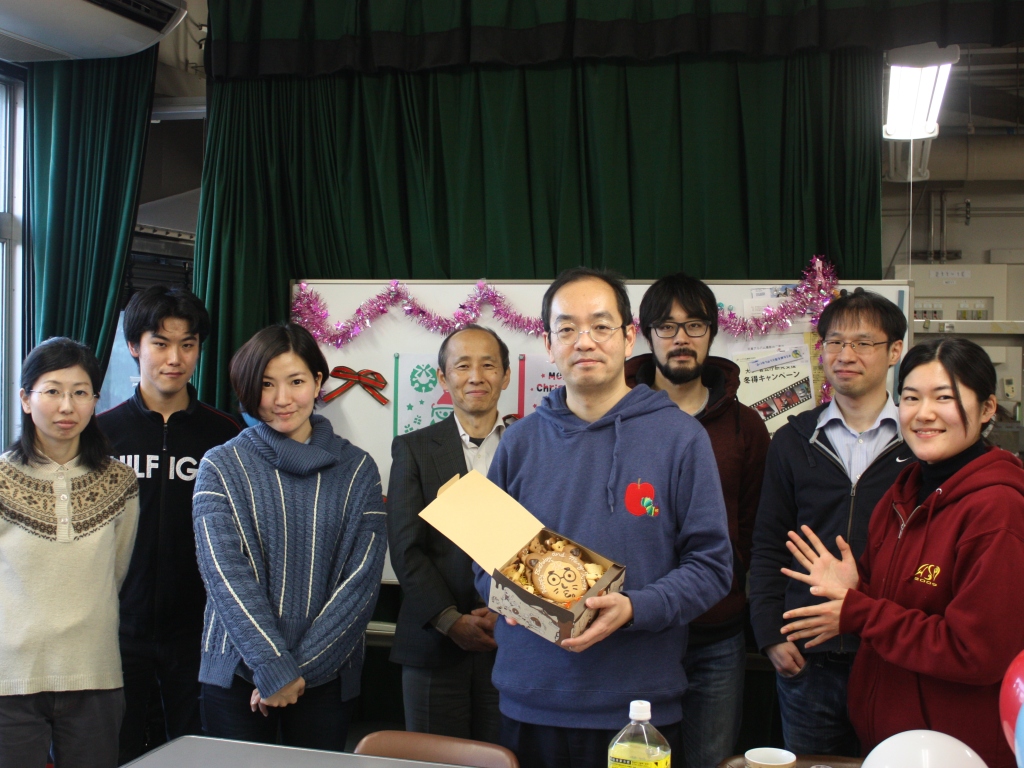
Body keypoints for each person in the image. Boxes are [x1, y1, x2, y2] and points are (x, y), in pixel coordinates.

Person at [475, 267, 733, 768]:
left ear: (628, 337)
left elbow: (712, 566)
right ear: (548, 344)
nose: (584, 341)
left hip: (638, 710)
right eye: (567, 328)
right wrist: (505, 593)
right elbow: (484, 561)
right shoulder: (520, 442)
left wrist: (636, 607)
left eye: (600, 325)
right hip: (531, 699)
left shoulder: (681, 439)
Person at [779, 337, 1024, 768]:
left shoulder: (998, 509)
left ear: (987, 408)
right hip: (890, 742)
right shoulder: (903, 493)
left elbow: (975, 652)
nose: (923, 413)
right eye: (911, 397)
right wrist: (859, 590)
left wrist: (858, 610)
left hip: (955, 750)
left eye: (943, 397)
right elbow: (900, 610)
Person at [192, 323, 386, 751]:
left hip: (328, 676)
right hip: (237, 675)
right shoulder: (220, 465)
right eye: (266, 384)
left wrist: (296, 673)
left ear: (317, 381)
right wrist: (273, 667)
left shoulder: (358, 469)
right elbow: (224, 575)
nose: (282, 399)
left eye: (296, 381)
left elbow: (361, 582)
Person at [748, 289, 915, 756]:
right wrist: (769, 634)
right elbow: (768, 543)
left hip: (890, 653)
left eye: (863, 343)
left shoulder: (919, 442)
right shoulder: (793, 440)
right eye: (835, 342)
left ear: (894, 351)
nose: (845, 355)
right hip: (808, 658)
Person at [625, 273, 770, 768]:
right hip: (636, 632)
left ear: (712, 332)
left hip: (716, 635)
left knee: (711, 759)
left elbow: (754, 527)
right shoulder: (618, 419)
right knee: (637, 760)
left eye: (694, 325)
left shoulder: (745, 426)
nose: (681, 339)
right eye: (666, 327)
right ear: (646, 334)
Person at [97, 286, 239, 763]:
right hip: (116, 629)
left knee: (192, 753)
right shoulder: (101, 435)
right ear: (134, 346)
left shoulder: (226, 435)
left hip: (198, 631)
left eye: (188, 344)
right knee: (114, 750)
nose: (175, 358)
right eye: (160, 343)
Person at [0, 338, 139, 768]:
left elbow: (116, 571)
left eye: (80, 392)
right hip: (10, 679)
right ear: (26, 399)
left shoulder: (121, 481)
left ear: (95, 401)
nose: (67, 406)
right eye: (53, 391)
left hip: (94, 671)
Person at [388, 324, 511, 743]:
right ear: (443, 378)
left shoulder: (529, 445)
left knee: (504, 758)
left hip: (512, 640)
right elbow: (406, 548)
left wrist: (504, 612)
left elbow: (542, 540)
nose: (476, 377)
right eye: (462, 366)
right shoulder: (414, 449)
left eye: (488, 365)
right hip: (433, 643)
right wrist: (449, 620)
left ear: (506, 376)